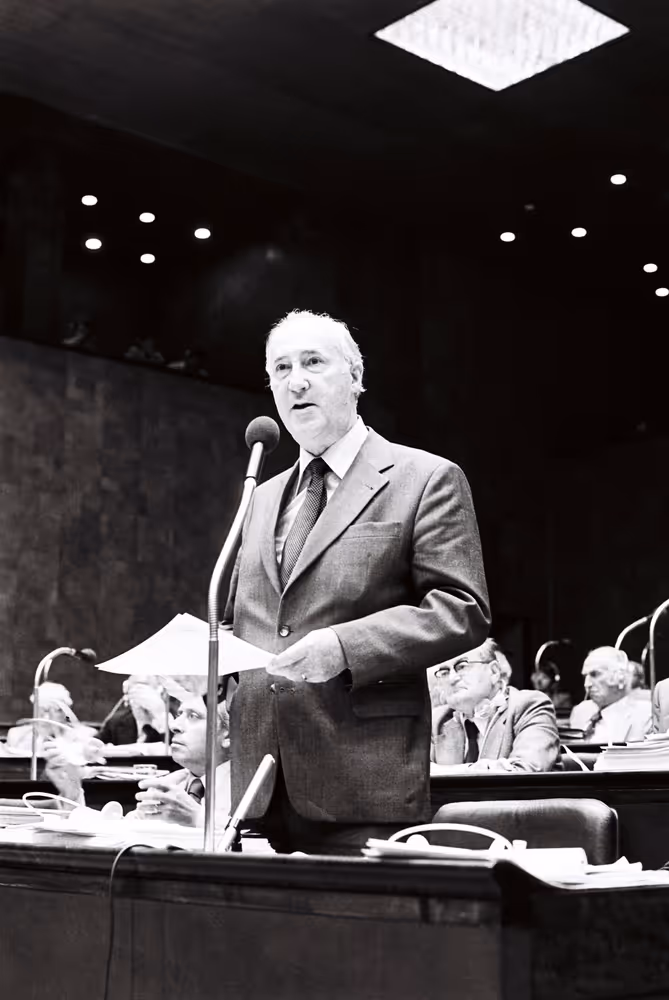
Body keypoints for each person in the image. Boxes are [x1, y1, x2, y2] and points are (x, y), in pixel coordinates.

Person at [224, 308, 490, 855]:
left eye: (313, 362)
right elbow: (243, 618)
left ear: (355, 377)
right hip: (257, 788)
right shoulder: (262, 495)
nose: (295, 380)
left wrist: (345, 646)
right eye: (280, 368)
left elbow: (461, 608)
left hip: (362, 783)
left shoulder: (424, 478)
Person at [44, 692, 232, 829]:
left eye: (193, 716)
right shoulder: (169, 785)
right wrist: (72, 792)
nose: (174, 725)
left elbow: (255, 845)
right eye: (178, 715)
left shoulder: (250, 788)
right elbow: (120, 834)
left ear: (227, 734)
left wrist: (198, 818)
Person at [431, 640, 560, 773]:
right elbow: (417, 775)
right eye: (444, 672)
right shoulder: (437, 720)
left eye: (462, 666)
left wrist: (446, 771)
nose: (452, 679)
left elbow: (525, 773)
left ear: (494, 672)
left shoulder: (530, 705)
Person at [569, 647, 651, 742]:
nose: (587, 684)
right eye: (584, 677)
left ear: (619, 676)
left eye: (595, 674)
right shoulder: (580, 712)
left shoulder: (646, 715)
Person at [4, 682, 97, 756]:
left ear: (66, 712)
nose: (47, 717)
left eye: (55, 711)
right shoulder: (16, 735)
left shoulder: (85, 735)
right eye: (43, 710)